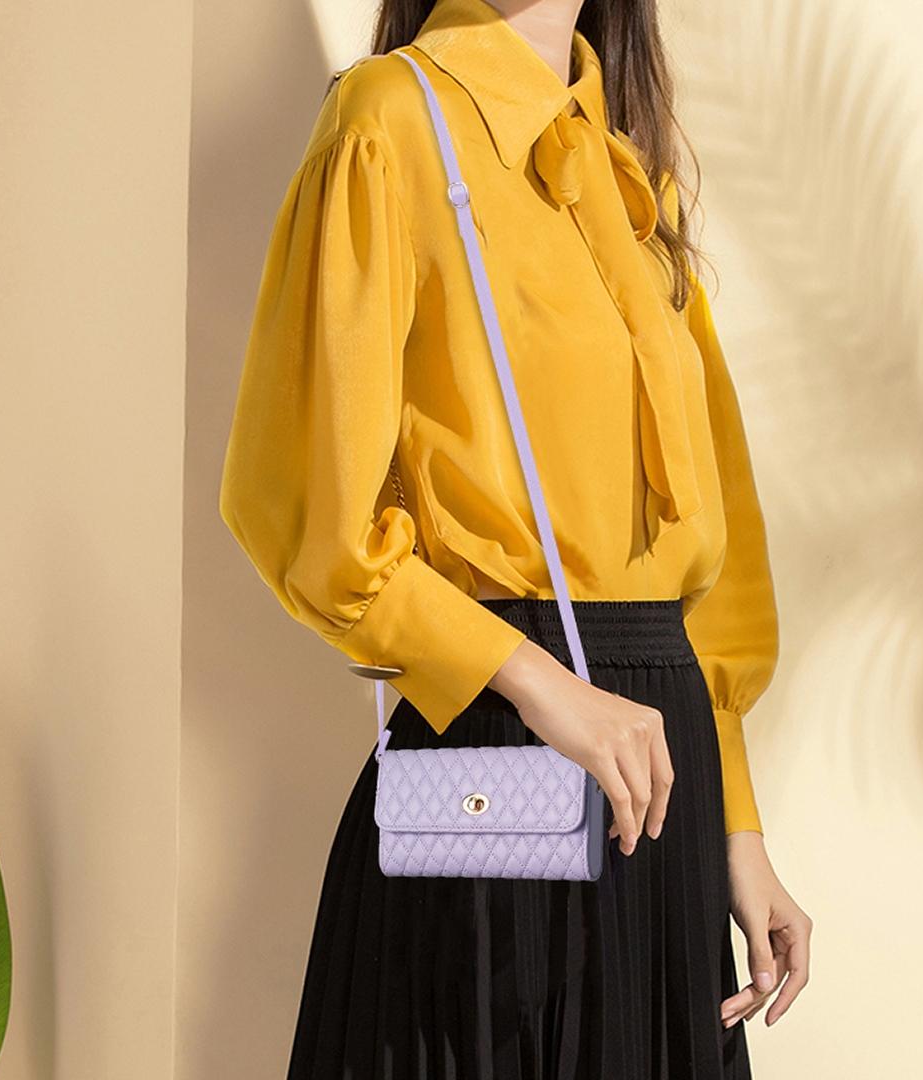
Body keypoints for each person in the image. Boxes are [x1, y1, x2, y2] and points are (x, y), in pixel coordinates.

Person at [218, 0, 813, 1076]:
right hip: (502, 729)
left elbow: (711, 549)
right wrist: (543, 687)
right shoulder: (391, 118)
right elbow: (301, 508)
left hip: (664, 774)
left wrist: (739, 829)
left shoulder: (633, 173)